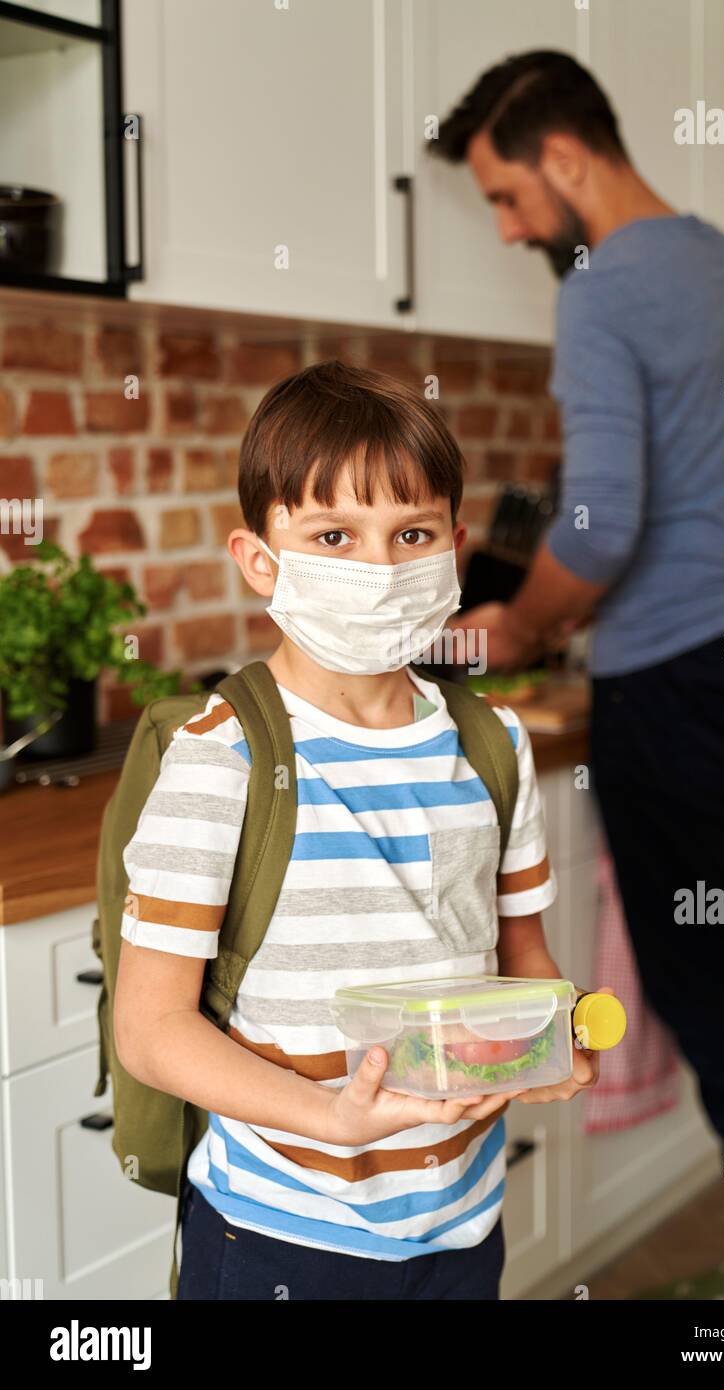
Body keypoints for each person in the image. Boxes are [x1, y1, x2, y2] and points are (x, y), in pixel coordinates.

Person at [434, 51, 724, 1300]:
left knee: (705, 977)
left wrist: (515, 625)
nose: (504, 231)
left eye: (503, 197)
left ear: (564, 157)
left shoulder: (602, 290)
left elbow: (601, 529)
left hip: (682, 684)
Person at [113, 359, 603, 1302]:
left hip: (464, 1218)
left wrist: (560, 1032)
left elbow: (523, 956)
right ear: (262, 560)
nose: (378, 569)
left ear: (453, 549)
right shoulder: (224, 758)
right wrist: (328, 1117)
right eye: (333, 534)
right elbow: (150, 1027)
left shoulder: (489, 742)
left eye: (410, 533)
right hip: (280, 1231)